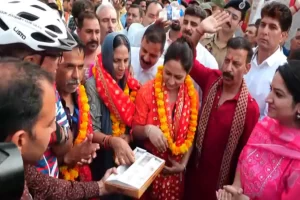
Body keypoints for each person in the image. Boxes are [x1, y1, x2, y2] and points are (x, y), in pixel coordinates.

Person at [0, 59, 116, 199]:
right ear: (20, 141)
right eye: (50, 124)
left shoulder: (17, 166)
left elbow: (48, 188)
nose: (56, 129)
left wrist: (101, 186)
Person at [0, 0, 81, 178]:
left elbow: (66, 145)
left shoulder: (48, 88)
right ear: (31, 62)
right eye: (57, 56)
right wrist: (59, 133)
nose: (60, 63)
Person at [184, 15, 260, 200]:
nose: (228, 68)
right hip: (192, 174)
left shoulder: (250, 108)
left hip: (218, 188)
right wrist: (199, 31)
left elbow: (245, 155)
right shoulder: (212, 79)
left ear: (247, 68)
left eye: (236, 64)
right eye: (227, 61)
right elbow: (189, 61)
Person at [217, 60, 300, 200]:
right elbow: (244, 158)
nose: (268, 99)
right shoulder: (265, 125)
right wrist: (235, 188)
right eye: (270, 89)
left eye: (278, 94)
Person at [132, 37, 199, 200]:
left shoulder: (192, 96)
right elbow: (135, 131)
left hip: (175, 176)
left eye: (178, 77)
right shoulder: (147, 91)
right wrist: (148, 130)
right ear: (162, 65)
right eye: (167, 73)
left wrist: (182, 165)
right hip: (147, 172)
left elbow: (192, 134)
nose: (170, 81)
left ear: (187, 74)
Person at [85, 32, 140, 200]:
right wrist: (113, 141)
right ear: (108, 57)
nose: (122, 67)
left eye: (126, 60)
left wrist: (127, 139)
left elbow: (135, 122)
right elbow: (91, 132)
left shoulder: (129, 82)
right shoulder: (93, 85)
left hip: (126, 159)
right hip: (103, 160)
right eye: (116, 61)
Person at [56, 35, 100, 181]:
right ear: (56, 64)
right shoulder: (46, 100)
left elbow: (88, 134)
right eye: (69, 66)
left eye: (80, 67)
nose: (76, 75)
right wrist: (67, 158)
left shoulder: (81, 94)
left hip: (81, 179)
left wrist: (87, 152)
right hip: (54, 183)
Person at [245, 2, 292, 119]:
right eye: (263, 25)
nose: (264, 31)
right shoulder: (244, 55)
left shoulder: (284, 71)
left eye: (272, 27)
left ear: (284, 36)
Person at [201, 0, 251, 68]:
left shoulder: (236, 50)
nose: (228, 19)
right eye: (227, 13)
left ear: (240, 24)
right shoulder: (204, 36)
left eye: (234, 18)